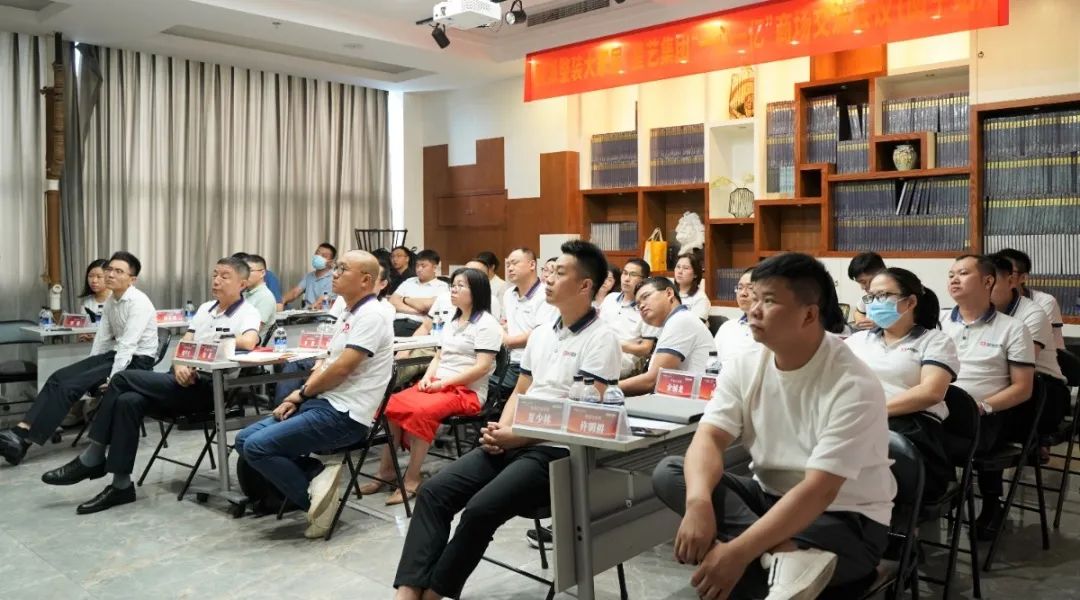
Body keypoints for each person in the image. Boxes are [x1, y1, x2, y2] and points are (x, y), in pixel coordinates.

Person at [652, 252, 894, 600]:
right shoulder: (746, 364)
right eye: (753, 297)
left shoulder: (852, 384)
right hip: (768, 498)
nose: (753, 310)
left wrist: (737, 552)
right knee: (671, 472)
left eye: (768, 301)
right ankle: (784, 556)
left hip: (844, 521)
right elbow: (709, 438)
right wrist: (698, 504)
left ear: (809, 314)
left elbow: (819, 491)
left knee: (740, 569)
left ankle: (765, 556)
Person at [393, 240, 621, 600]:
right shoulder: (543, 333)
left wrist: (519, 435)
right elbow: (521, 389)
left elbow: (582, 415)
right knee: (434, 493)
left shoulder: (602, 338)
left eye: (559, 273)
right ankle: (407, 592)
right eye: (549, 271)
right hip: (516, 437)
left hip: (557, 451)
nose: (548, 279)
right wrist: (504, 429)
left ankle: (435, 594)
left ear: (584, 285)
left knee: (480, 509)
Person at [40, 256, 262, 514]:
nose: (216, 280)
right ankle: (121, 486)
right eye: (214, 274)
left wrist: (212, 339)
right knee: (128, 401)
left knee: (121, 379)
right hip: (181, 379)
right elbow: (183, 344)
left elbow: (249, 341)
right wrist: (179, 365)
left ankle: (93, 455)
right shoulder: (205, 309)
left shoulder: (248, 312)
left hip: (209, 388)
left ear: (242, 283)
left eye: (224, 276)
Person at [233, 251, 394, 538]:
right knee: (244, 439)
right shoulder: (348, 310)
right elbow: (326, 362)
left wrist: (302, 394)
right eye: (336, 268)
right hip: (323, 402)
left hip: (345, 415)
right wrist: (301, 396)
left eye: (342, 269)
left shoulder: (373, 315)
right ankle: (316, 475)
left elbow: (341, 369)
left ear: (365, 280)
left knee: (258, 447)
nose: (334, 274)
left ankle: (316, 504)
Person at [0, 252, 158, 467]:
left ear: (132, 279)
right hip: (115, 355)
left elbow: (128, 345)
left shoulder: (139, 303)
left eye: (118, 271)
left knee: (70, 386)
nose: (110, 274)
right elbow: (102, 339)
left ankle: (22, 441)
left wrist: (113, 378)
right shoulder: (112, 301)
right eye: (109, 269)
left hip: (137, 361)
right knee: (58, 377)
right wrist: (89, 367)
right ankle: (21, 432)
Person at [365, 267, 501, 506]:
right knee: (392, 404)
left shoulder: (487, 324)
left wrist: (444, 383)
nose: (454, 290)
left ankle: (412, 479)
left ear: (477, 291)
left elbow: (482, 367)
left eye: (460, 286)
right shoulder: (452, 320)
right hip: (439, 384)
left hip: (467, 391)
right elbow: (439, 356)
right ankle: (386, 471)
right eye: (453, 285)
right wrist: (427, 378)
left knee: (421, 412)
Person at [844, 267, 959, 503]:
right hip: (858, 423)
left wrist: (874, 411)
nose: (874, 303)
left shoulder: (934, 341)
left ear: (910, 302)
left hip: (911, 428)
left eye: (883, 295)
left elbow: (931, 392)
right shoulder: (856, 341)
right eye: (871, 297)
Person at [940, 254, 1035, 540]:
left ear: (987, 281)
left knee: (947, 436)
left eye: (963, 273)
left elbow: (1023, 388)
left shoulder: (1012, 328)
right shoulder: (939, 322)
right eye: (951, 274)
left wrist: (984, 407)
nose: (954, 279)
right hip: (938, 407)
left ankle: (990, 503)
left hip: (987, 414)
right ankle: (925, 503)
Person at [988, 253, 1069, 439]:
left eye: (991, 279)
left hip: (1042, 385)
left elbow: (1023, 360)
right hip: (1003, 380)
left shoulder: (1036, 309)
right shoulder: (976, 311)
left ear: (1015, 279)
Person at [618, 277, 714, 396]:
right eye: (638, 305)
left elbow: (652, 381)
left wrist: (607, 389)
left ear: (669, 293)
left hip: (688, 402)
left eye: (646, 296)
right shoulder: (675, 321)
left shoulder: (681, 320)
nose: (641, 306)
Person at [497, 248, 556, 400]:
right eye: (508, 264)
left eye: (515, 263)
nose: (510, 268)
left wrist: (507, 339)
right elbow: (510, 325)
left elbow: (539, 335)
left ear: (532, 265)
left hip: (534, 364)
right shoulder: (509, 294)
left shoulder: (546, 294)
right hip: (510, 361)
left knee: (490, 390)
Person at [598, 258, 657, 378]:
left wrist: (614, 344)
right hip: (598, 349)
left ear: (644, 280)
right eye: (624, 273)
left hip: (623, 358)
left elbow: (646, 348)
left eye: (633, 275)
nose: (626, 279)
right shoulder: (610, 298)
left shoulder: (647, 308)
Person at [996, 247, 1066, 349]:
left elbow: (1027, 348)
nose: (1000, 276)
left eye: (1008, 271)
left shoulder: (1044, 302)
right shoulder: (990, 301)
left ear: (1023, 277)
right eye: (997, 271)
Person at [390, 249, 449, 337]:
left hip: (417, 326)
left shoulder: (441, 286)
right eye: (417, 265)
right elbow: (392, 301)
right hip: (394, 323)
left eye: (423, 266)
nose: (419, 269)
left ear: (434, 268)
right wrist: (415, 311)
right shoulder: (409, 281)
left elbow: (427, 305)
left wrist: (404, 299)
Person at [713, 267, 759, 367]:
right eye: (740, 288)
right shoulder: (727, 327)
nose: (743, 293)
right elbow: (712, 362)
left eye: (750, 288)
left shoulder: (770, 332)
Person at [280, 242, 338, 310]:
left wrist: (309, 309)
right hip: (307, 313)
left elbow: (321, 302)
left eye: (323, 256)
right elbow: (295, 292)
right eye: (317, 253)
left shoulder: (333, 278)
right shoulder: (309, 276)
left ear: (331, 262)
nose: (318, 256)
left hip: (323, 315)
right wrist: (281, 301)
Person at [243, 254, 278, 341]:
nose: (245, 275)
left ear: (262, 273)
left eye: (249, 271)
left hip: (250, 345)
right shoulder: (245, 294)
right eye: (243, 271)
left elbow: (251, 331)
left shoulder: (265, 297)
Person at [848, 252, 886, 330]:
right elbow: (859, 312)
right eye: (860, 283)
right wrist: (861, 320)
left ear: (880, 273)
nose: (862, 287)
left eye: (864, 282)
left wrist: (880, 324)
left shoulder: (896, 296)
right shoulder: (870, 296)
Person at [674, 253, 709, 322]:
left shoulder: (700, 299)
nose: (680, 271)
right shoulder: (669, 293)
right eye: (678, 267)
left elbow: (694, 325)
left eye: (686, 268)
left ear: (695, 274)